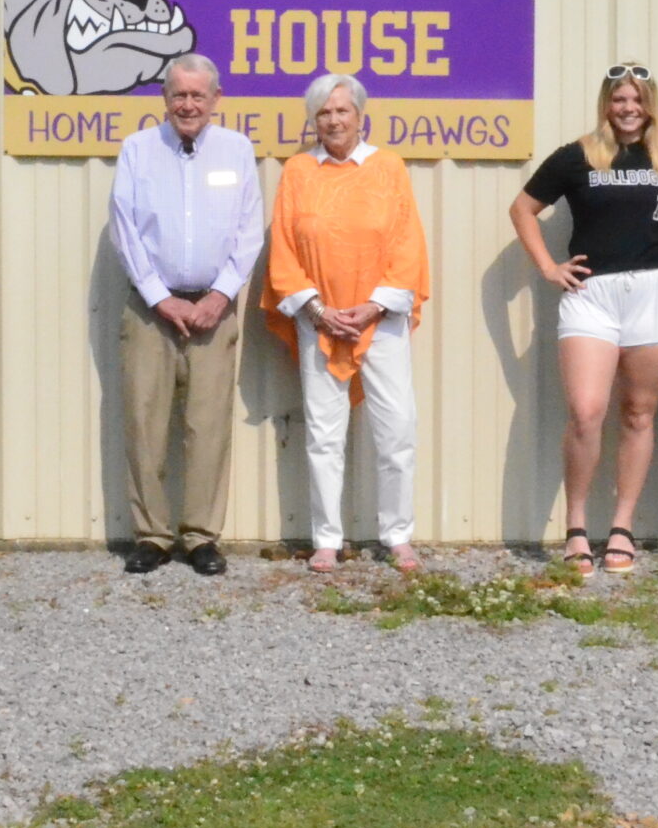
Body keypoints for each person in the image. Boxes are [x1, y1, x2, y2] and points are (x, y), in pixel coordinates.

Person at [510, 64, 658, 578]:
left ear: (650, 105)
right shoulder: (577, 156)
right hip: (592, 296)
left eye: (637, 99)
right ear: (606, 104)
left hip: (654, 291)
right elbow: (522, 209)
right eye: (619, 99)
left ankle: (622, 526)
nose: (628, 109)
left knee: (638, 413)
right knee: (586, 411)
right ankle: (577, 526)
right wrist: (549, 267)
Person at [264, 73, 432, 574]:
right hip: (319, 322)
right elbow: (284, 249)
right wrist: (319, 311)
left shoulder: (388, 167)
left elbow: (407, 244)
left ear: (361, 116)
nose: (334, 120)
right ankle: (326, 539)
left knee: (396, 429)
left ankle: (397, 535)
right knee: (323, 435)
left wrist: (373, 307)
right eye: (324, 112)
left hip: (380, 322)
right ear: (313, 121)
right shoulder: (298, 171)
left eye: (343, 110)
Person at [110, 56, 266, 577]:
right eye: (179, 94)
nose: (188, 104)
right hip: (151, 309)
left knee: (208, 426)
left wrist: (219, 296)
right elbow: (124, 229)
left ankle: (201, 536)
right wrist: (160, 297)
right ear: (164, 97)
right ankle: (152, 536)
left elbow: (249, 231)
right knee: (144, 422)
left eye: (199, 95)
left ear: (216, 99)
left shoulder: (237, 150)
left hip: (213, 311)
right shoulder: (138, 150)